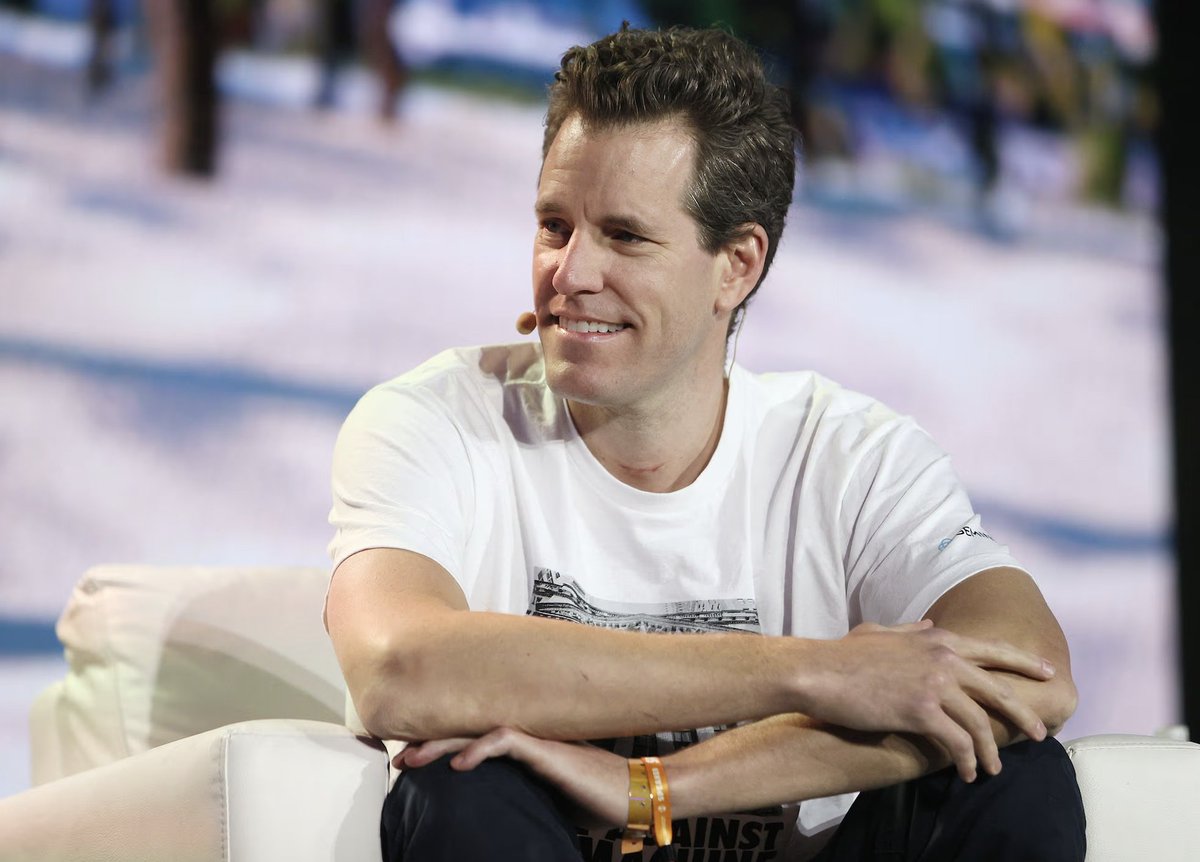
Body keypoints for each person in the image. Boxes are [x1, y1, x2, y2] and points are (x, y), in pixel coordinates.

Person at [324, 24, 1085, 862]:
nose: (569, 274)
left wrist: (654, 790)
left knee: (1013, 770)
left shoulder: (849, 455)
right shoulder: (434, 419)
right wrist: (813, 671)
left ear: (737, 265)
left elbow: (1031, 673)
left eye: (625, 236)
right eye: (554, 225)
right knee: (457, 784)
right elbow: (397, 667)